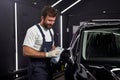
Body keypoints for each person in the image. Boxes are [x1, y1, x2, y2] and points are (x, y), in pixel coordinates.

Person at [23, 6, 61, 80]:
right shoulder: (33, 30)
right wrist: (47, 54)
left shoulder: (51, 31)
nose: (52, 23)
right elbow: (25, 51)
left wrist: (56, 51)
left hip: (48, 66)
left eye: (54, 21)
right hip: (36, 67)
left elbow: (51, 46)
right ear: (42, 18)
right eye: (50, 20)